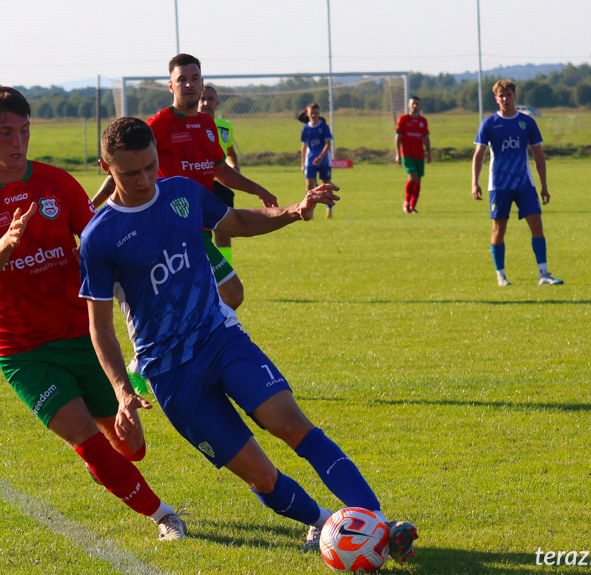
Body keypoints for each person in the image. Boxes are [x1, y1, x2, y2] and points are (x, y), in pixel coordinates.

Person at [79, 116, 419, 564]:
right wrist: (123, 391)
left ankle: (377, 523)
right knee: (260, 475)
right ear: (107, 168)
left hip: (220, 339)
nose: (144, 180)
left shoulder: (182, 193)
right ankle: (322, 523)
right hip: (171, 375)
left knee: (293, 425)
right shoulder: (99, 237)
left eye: (150, 166)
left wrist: (293, 212)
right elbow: (100, 326)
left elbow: (236, 219)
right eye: (130, 172)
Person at [0, 82, 186, 541]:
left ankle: (119, 444)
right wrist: (9, 242)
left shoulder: (58, 184)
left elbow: (101, 244)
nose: (16, 143)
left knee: (131, 447)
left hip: (82, 334)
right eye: (5, 134)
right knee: (89, 442)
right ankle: (165, 517)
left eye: (23, 132)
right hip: (23, 349)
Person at [92, 54, 276, 311]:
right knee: (232, 294)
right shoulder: (157, 126)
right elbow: (122, 171)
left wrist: (257, 189)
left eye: (194, 78)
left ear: (202, 84)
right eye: (182, 79)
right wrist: (93, 206)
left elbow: (221, 171)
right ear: (171, 85)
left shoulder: (207, 124)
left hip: (202, 221)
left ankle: (193, 339)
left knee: (195, 298)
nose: (189, 84)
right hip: (171, 226)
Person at [471, 79, 563, 287]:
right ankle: (501, 276)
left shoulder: (527, 122)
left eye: (508, 95)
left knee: (537, 225)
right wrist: (474, 182)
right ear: (496, 99)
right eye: (501, 96)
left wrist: (544, 185)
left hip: (524, 184)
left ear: (515, 96)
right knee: (499, 229)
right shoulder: (489, 124)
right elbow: (479, 155)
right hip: (499, 186)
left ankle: (544, 274)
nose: (505, 99)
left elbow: (538, 155)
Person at [198, 84, 238, 266]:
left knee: (223, 235)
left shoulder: (225, 127)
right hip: (198, 187)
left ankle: (225, 275)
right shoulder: (190, 125)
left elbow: (229, 152)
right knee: (197, 235)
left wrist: (234, 168)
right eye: (202, 98)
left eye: (210, 99)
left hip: (220, 187)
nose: (206, 102)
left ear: (217, 102)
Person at [395, 96, 432, 214]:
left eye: (417, 104)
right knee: (413, 178)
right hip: (407, 154)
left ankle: (413, 206)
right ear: (408, 105)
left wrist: (429, 153)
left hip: (419, 155)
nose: (415, 106)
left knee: (418, 181)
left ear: (420, 106)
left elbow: (426, 138)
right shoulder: (403, 119)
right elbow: (398, 137)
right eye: (413, 104)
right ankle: (406, 204)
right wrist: (397, 154)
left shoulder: (423, 121)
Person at [300, 103, 334, 218]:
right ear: (308, 114)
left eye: (316, 113)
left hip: (324, 160)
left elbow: (328, 144)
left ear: (319, 113)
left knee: (326, 185)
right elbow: (304, 146)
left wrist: (321, 157)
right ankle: (310, 211)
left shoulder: (324, 127)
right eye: (312, 113)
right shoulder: (305, 128)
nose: (314, 115)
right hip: (310, 161)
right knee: (310, 186)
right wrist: (302, 163)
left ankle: (329, 209)